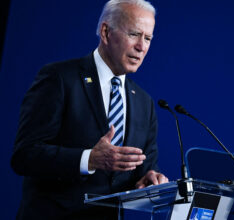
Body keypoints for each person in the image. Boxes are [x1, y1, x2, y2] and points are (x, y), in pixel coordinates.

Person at [10, 0, 168, 219]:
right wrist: (89, 159)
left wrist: (151, 178)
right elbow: (24, 155)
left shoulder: (145, 103)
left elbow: (145, 167)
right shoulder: (59, 79)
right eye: (134, 34)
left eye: (148, 38)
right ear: (105, 32)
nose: (142, 47)